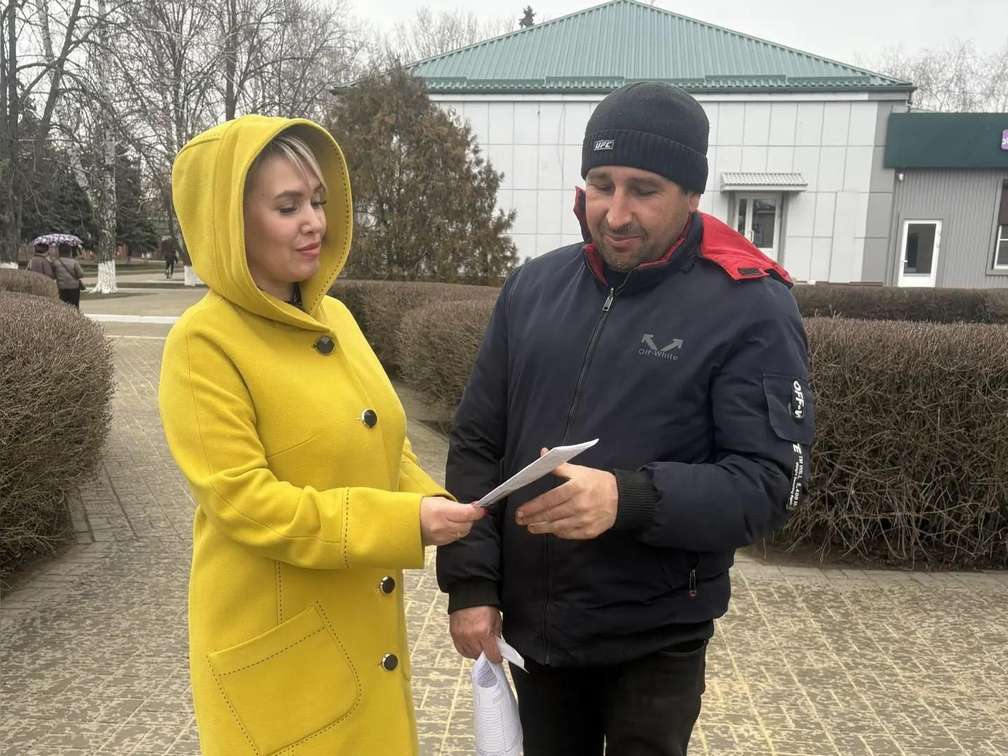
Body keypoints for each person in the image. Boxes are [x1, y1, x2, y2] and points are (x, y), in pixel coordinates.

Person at [437, 82, 815, 756]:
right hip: (537, 637)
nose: (614, 213)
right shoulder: (533, 288)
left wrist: (627, 498)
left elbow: (768, 484)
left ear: (692, 194)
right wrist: (470, 585)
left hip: (655, 640)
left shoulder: (751, 306)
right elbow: (476, 443)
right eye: (601, 184)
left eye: (644, 190)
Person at [158, 115, 485, 755]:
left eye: (318, 201)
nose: (315, 222)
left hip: (361, 636)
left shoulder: (334, 315)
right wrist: (403, 522)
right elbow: (246, 504)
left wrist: (436, 503)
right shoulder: (202, 344)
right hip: (284, 659)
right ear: (229, 221)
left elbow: (385, 441)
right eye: (288, 207)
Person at [51, 242, 86, 307]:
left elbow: (53, 276)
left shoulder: (55, 262)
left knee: (63, 306)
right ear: (70, 252)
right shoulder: (74, 262)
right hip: (74, 287)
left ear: (59, 252)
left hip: (61, 288)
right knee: (74, 306)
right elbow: (81, 274)